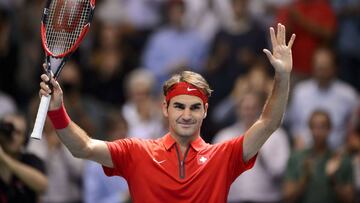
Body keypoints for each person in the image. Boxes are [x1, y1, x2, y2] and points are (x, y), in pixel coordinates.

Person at [38, 23, 295, 202]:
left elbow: (269, 123)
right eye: (179, 106)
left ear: (205, 111)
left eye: (195, 107)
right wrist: (58, 110)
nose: (186, 114)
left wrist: (282, 76)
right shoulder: (136, 152)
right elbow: (81, 147)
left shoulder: (223, 156)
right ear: (165, 108)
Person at [283, 110, 354, 203]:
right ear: (310, 129)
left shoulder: (342, 159)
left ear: (330, 129)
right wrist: (304, 179)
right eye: (314, 127)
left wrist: (334, 179)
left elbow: (350, 199)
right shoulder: (297, 158)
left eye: (322, 127)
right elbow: (287, 198)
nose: (318, 132)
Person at [0, 113, 48, 203]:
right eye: (8, 130)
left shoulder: (31, 160)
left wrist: (4, 158)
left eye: (18, 133)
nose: (13, 136)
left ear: (24, 139)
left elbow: (43, 185)